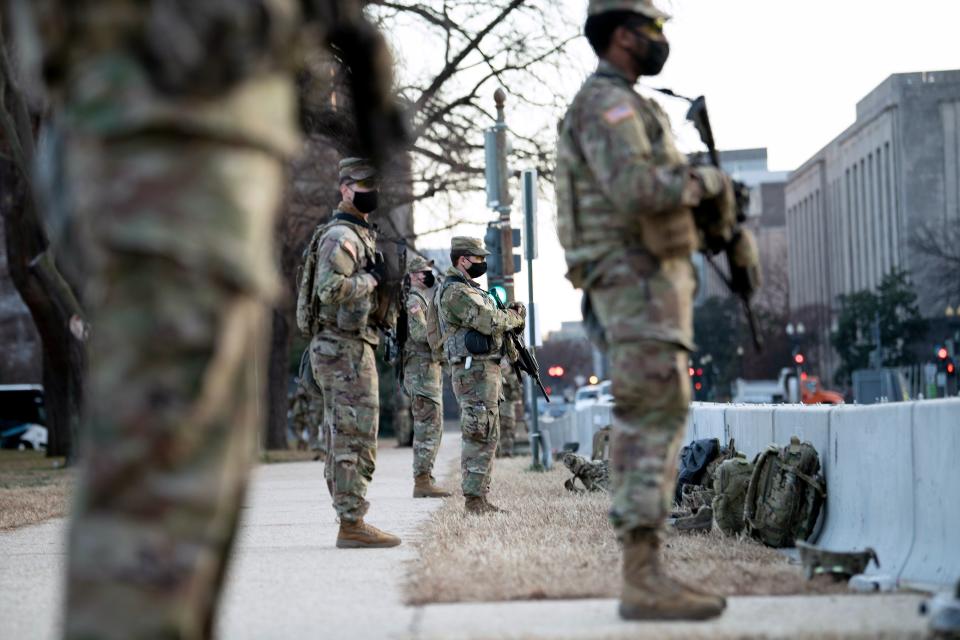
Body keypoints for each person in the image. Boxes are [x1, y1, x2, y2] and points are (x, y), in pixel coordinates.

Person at [14, 2, 401, 636]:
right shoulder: (337, 236)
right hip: (166, 124)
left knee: (199, 470)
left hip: (204, 130)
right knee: (165, 459)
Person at [555, 0, 740, 621]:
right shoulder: (605, 105)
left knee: (660, 414)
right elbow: (636, 189)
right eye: (652, 27)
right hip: (630, 282)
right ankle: (642, 578)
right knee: (647, 417)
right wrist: (707, 185)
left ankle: (650, 571)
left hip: (650, 283)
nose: (661, 37)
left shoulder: (634, 102)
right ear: (619, 35)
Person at [307, 157, 401, 548]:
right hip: (341, 347)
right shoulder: (341, 235)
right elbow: (330, 289)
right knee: (352, 435)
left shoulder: (358, 233)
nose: (370, 191)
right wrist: (371, 279)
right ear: (345, 188)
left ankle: (351, 517)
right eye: (363, 184)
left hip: (352, 343)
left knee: (352, 433)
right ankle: (351, 523)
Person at [435, 237, 525, 514]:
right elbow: (488, 321)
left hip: (483, 369)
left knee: (488, 434)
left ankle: (480, 498)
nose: (483, 264)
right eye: (478, 259)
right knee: (478, 433)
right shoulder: (456, 293)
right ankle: (474, 501)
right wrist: (514, 317)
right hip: (472, 371)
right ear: (463, 260)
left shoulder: (469, 289)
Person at [403, 255, 451, 497]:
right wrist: (445, 332)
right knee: (427, 426)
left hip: (429, 370)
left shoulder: (424, 298)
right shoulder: (414, 300)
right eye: (423, 271)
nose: (427, 274)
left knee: (434, 425)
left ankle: (426, 478)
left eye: (428, 270)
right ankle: (422, 481)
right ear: (412, 275)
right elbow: (420, 333)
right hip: (420, 371)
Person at [497, 360, 521, 458]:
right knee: (496, 433)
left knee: (507, 433)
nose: (503, 367)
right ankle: (498, 453)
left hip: (507, 410)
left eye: (505, 365)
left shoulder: (512, 378)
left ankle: (506, 453)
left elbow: (516, 395)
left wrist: (509, 385)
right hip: (496, 410)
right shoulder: (494, 377)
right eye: (501, 365)